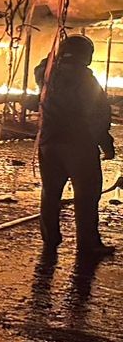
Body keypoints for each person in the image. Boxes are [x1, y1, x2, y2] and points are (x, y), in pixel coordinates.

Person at [38, 34, 115, 261]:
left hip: (49, 142)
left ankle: (50, 239)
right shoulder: (86, 80)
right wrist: (106, 144)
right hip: (78, 144)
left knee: (50, 192)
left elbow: (41, 67)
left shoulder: (47, 73)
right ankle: (88, 245)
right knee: (87, 195)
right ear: (86, 55)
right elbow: (97, 115)